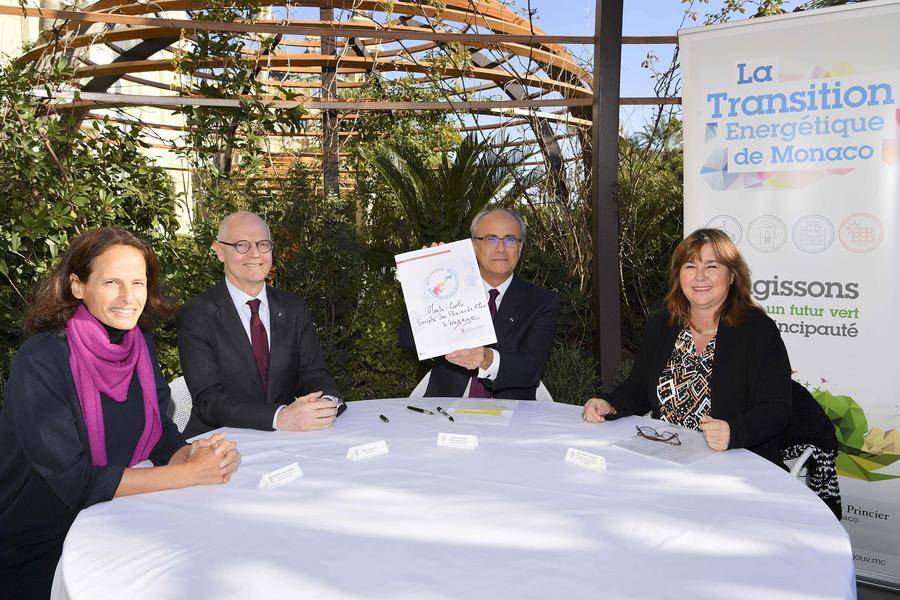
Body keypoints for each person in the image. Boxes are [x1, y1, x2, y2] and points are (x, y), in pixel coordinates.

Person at [0, 228, 240, 599]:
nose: (129, 298)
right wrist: (187, 474)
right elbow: (76, 482)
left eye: (138, 283)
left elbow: (160, 431)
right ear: (78, 286)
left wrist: (194, 455)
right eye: (112, 282)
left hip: (120, 527)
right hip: (39, 544)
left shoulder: (139, 342)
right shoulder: (42, 358)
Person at [582, 228, 791, 464]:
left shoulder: (758, 331)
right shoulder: (663, 325)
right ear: (679, 275)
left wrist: (735, 432)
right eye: (690, 266)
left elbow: (777, 408)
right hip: (666, 456)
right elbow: (639, 388)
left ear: (732, 276)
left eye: (712, 266)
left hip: (736, 463)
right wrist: (610, 404)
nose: (699, 276)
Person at [178, 211, 344, 438]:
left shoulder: (294, 308)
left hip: (285, 439)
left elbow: (313, 374)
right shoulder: (197, 315)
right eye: (241, 245)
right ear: (219, 251)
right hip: (218, 442)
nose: (255, 254)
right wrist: (280, 416)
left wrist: (326, 402)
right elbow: (209, 400)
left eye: (263, 244)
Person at [400, 207, 560, 399]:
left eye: (510, 240)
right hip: (444, 404)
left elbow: (531, 368)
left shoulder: (541, 301)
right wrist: (425, 283)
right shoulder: (451, 288)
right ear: (474, 246)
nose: (501, 248)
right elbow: (409, 341)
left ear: (520, 247)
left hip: (511, 413)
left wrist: (488, 359)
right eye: (490, 239)